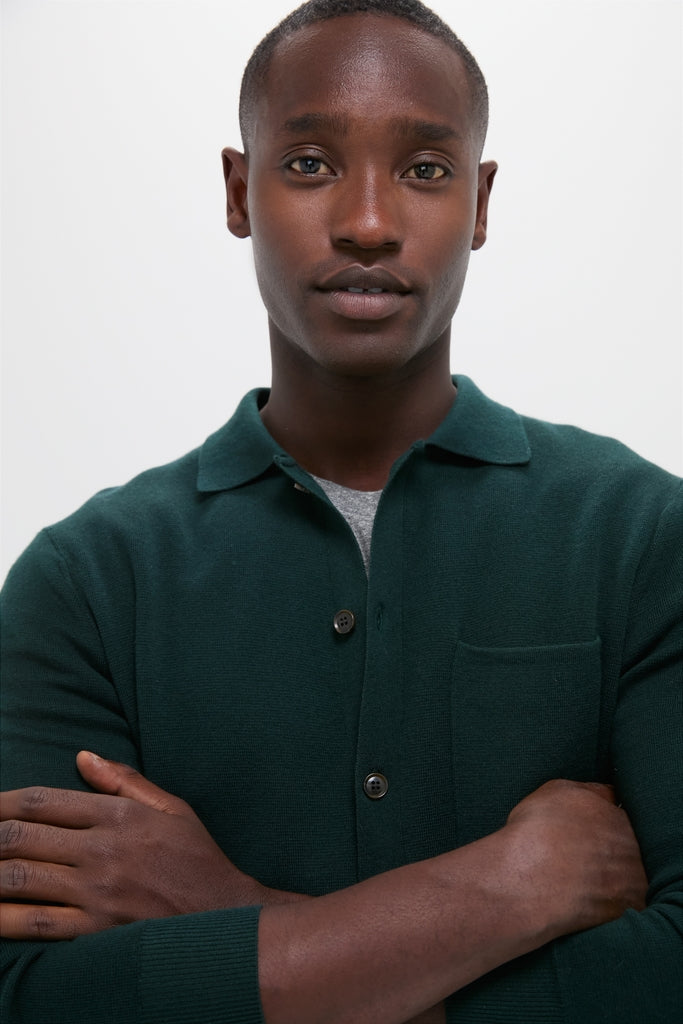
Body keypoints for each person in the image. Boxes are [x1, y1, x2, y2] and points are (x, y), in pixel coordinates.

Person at [1, 1, 681, 1022]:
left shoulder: (640, 539)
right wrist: (505, 889)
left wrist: (229, 909)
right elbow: (33, 996)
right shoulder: (84, 584)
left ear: (481, 202)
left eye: (424, 168)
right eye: (311, 162)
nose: (367, 220)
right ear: (239, 189)